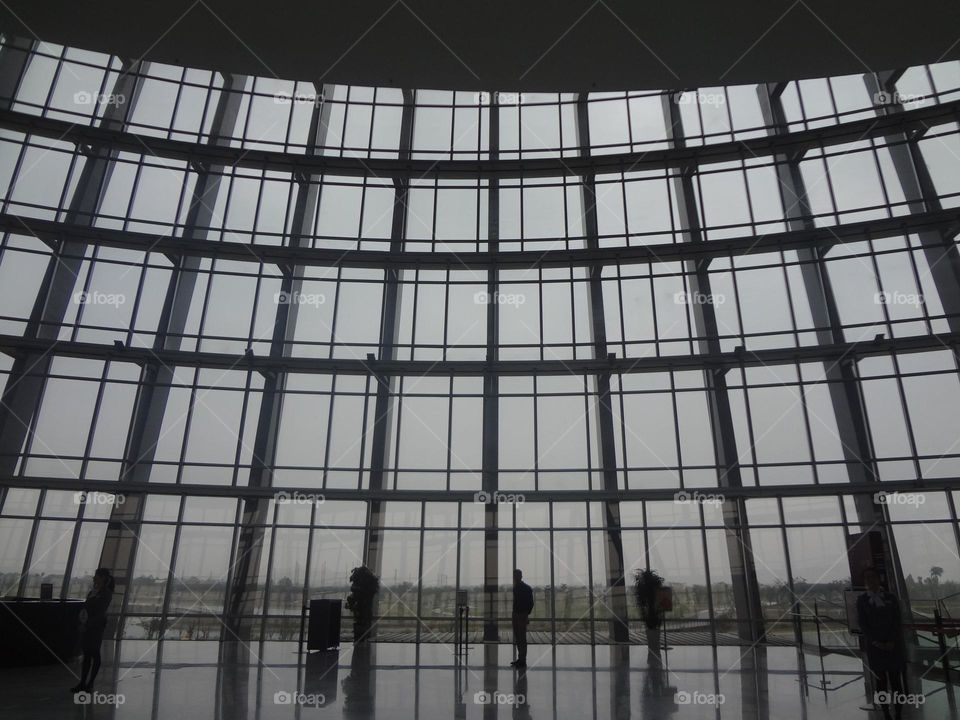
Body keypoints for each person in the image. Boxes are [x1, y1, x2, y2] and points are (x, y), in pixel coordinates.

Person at [856, 567, 906, 720]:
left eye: (873, 577)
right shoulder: (862, 600)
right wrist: (876, 641)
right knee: (881, 681)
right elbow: (863, 624)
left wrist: (891, 641)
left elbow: (897, 621)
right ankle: (886, 714)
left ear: (879, 579)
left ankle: (898, 714)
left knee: (896, 680)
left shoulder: (891, 598)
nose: (870, 580)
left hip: (893, 646)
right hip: (875, 647)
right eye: (867, 578)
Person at [71, 568, 114, 694]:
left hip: (96, 627)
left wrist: (87, 624)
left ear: (103, 578)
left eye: (97, 576)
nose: (94, 578)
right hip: (88, 627)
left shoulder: (106, 593)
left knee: (94, 652)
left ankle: (90, 682)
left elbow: (100, 612)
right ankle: (83, 682)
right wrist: (82, 622)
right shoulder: (93, 592)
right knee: (87, 654)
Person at [511, 569, 534, 668]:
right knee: (519, 637)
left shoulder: (523, 588)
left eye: (516, 576)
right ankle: (521, 659)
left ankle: (522, 660)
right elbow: (530, 603)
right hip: (518, 614)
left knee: (521, 638)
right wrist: (526, 613)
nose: (515, 578)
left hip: (520, 614)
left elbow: (530, 603)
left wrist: (525, 614)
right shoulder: (519, 588)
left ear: (520, 577)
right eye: (514, 576)